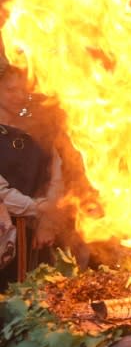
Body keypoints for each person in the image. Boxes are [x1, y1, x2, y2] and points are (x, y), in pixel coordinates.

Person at [0, 57, 58, 287]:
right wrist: (35, 208)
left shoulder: (41, 125)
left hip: (36, 233)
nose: (19, 96)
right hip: (5, 230)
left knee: (34, 299)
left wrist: (49, 220)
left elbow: (57, 172)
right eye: (11, 90)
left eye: (24, 90)